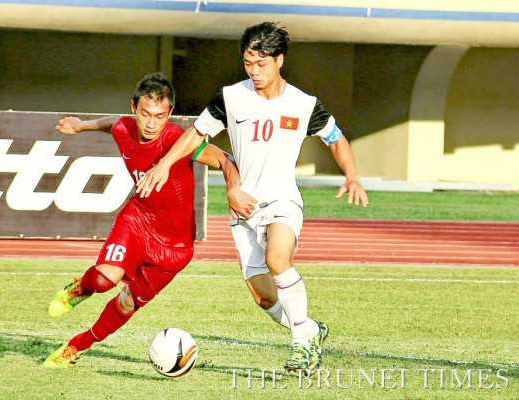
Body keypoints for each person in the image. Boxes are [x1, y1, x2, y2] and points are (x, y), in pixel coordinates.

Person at [136, 22, 369, 373]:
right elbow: (196, 134)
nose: (254, 71)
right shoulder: (231, 98)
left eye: (261, 63)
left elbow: (335, 138)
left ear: (279, 60)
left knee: (278, 259)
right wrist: (165, 164)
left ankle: (301, 346)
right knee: (264, 298)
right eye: (248, 63)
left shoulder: (303, 104)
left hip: (283, 201)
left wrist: (351, 175)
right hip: (244, 208)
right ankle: (308, 328)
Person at [43, 72, 253, 368]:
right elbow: (112, 124)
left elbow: (224, 159)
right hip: (138, 221)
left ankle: (78, 344)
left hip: (175, 248)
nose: (151, 123)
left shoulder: (178, 140)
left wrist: (233, 189)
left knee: (127, 303)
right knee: (103, 280)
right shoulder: (124, 128)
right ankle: (81, 288)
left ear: (170, 112)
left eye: (159, 116)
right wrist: (81, 126)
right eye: (145, 114)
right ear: (133, 108)